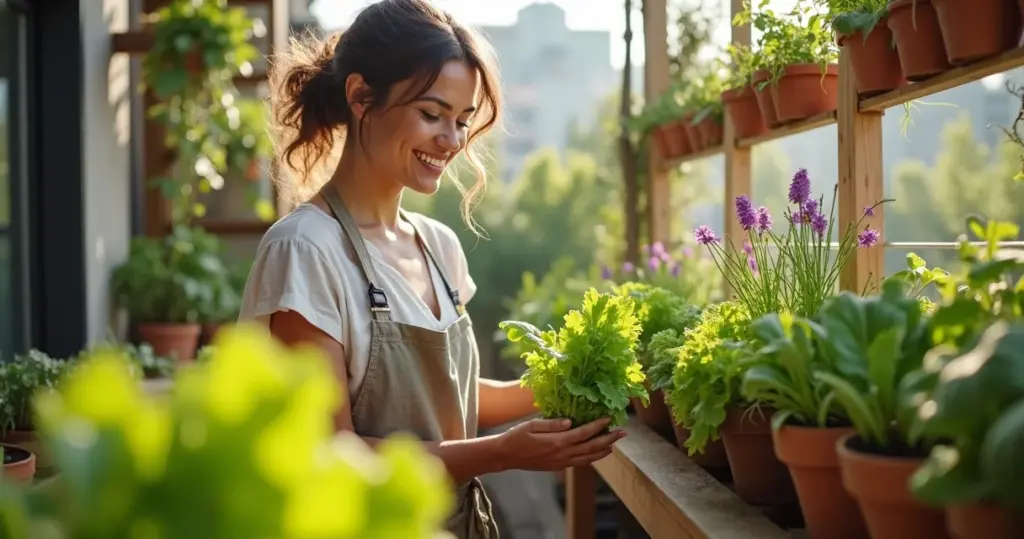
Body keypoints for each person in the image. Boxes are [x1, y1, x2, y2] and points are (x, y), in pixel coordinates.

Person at [236, 0, 626, 537]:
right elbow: (332, 450)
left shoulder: (438, 246)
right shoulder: (304, 250)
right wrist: (498, 453)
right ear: (360, 97)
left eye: (462, 120)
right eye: (431, 114)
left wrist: (576, 385)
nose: (452, 140)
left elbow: (451, 395)